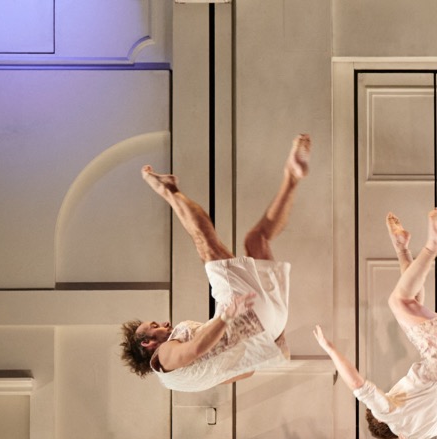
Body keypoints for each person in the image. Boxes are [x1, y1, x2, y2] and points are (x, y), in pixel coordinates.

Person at [119, 134, 311, 391]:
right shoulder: (163, 357)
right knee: (206, 244)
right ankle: (169, 190)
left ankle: (292, 177)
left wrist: (272, 336)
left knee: (257, 240)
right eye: (155, 327)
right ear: (147, 343)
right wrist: (227, 316)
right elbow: (195, 349)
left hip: (273, 326)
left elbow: (245, 372)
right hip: (244, 317)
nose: (164, 323)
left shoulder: (185, 382)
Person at [314, 210, 437, 439]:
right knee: (399, 301)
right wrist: (329, 349)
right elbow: (358, 384)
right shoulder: (388, 416)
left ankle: (402, 249)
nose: (389, 394)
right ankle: (432, 246)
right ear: (378, 419)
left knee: (411, 304)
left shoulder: (425, 431)